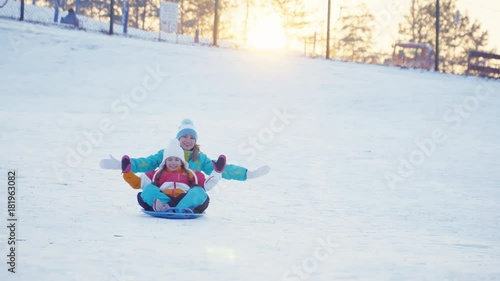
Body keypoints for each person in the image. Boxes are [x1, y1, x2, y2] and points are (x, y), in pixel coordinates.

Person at [100, 118, 270, 180]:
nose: (188, 140)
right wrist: (123, 165)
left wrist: (247, 174)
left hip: (188, 192)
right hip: (166, 189)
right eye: (184, 137)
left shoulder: (199, 158)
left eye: (192, 137)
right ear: (178, 138)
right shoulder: (166, 154)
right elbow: (147, 163)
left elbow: (221, 170)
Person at [122, 139, 227, 212]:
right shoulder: (158, 173)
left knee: (200, 192)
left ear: (181, 161)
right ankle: (166, 206)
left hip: (184, 199)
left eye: (177, 159)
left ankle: (174, 208)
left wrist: (217, 172)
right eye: (170, 159)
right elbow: (138, 183)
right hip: (164, 198)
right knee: (147, 190)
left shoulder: (191, 173)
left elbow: (206, 185)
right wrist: (127, 173)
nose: (173, 162)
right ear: (165, 161)